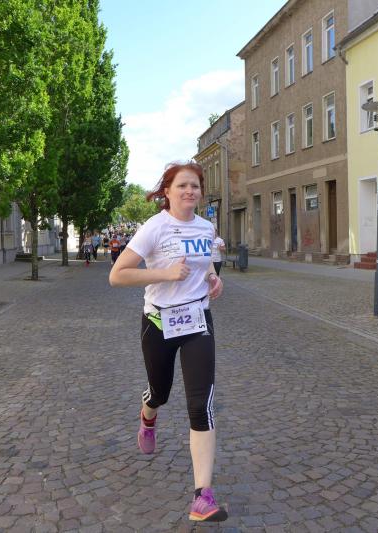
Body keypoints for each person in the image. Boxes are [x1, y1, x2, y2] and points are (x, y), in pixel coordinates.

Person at [109, 161, 227, 523]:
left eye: (195, 186)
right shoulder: (154, 227)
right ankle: (148, 416)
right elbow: (118, 275)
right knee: (159, 391)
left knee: (200, 405)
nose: (189, 191)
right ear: (168, 192)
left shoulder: (206, 227)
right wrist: (165, 273)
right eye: (182, 186)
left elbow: (205, 263)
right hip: (159, 322)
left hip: (197, 321)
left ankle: (202, 497)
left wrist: (212, 278)